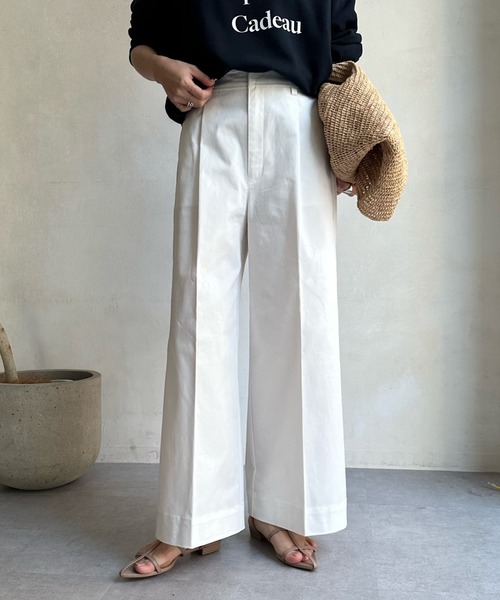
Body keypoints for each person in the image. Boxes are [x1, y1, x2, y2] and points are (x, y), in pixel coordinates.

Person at [120, 0, 362, 578]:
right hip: (214, 114)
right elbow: (142, 40)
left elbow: (343, 45)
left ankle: (282, 510)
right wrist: (165, 71)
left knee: (301, 320)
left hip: (300, 119)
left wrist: (344, 140)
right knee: (198, 320)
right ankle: (192, 518)